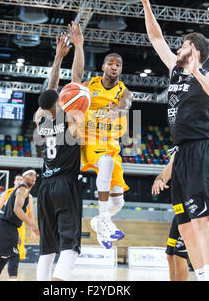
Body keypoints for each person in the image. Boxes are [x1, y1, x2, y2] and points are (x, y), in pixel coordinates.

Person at [142, 0, 209, 281]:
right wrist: (147, 7)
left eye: (182, 45)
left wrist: (197, 74)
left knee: (202, 221)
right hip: (180, 153)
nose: (176, 49)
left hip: (201, 149)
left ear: (193, 49)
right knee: (185, 224)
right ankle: (202, 274)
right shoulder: (175, 70)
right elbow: (156, 38)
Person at [70, 21, 134, 248]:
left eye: (118, 64)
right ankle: (104, 218)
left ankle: (99, 222)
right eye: (110, 63)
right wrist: (79, 46)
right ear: (104, 67)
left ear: (120, 70)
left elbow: (127, 101)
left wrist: (120, 108)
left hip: (112, 144)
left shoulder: (123, 90)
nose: (114, 67)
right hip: (90, 140)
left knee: (119, 202)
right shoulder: (92, 85)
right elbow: (75, 80)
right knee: (104, 163)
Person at [34, 29, 84, 281]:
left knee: (47, 249)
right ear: (60, 102)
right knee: (70, 246)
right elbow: (75, 83)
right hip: (65, 184)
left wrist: (57, 59)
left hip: (45, 186)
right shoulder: (72, 120)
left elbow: (50, 90)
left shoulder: (40, 120)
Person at [151, 149, 209, 281]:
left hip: (199, 212)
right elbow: (164, 174)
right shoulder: (179, 152)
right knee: (170, 255)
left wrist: (205, 202)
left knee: (180, 255)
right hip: (181, 212)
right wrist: (159, 180)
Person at [0, 167, 38, 281]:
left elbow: (13, 215)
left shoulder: (25, 192)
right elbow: (17, 210)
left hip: (8, 224)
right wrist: (32, 225)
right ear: (24, 177)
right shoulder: (22, 189)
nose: (33, 177)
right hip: (4, 224)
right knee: (14, 255)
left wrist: (16, 233)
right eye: (30, 175)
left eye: (35, 176)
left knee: (5, 256)